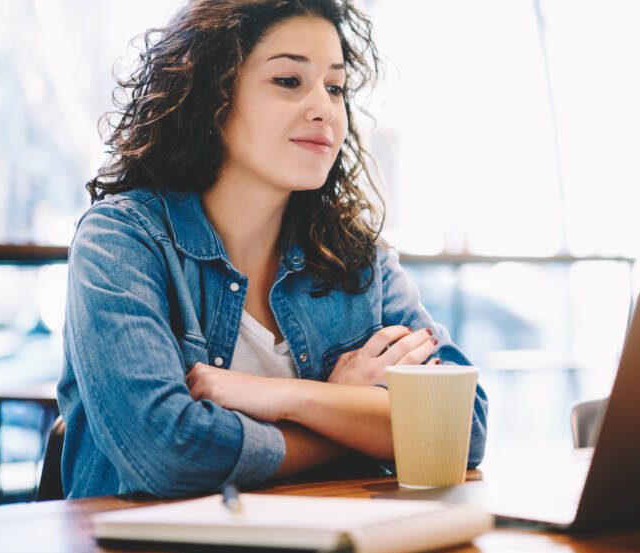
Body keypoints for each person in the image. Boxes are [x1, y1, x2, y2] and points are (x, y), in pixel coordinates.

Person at [57, 0, 487, 499]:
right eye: (288, 81)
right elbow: (170, 454)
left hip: (327, 552)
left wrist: (286, 396)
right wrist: (343, 412)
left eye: (335, 87)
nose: (324, 108)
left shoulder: (354, 256)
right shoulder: (122, 240)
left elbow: (460, 427)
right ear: (210, 96)